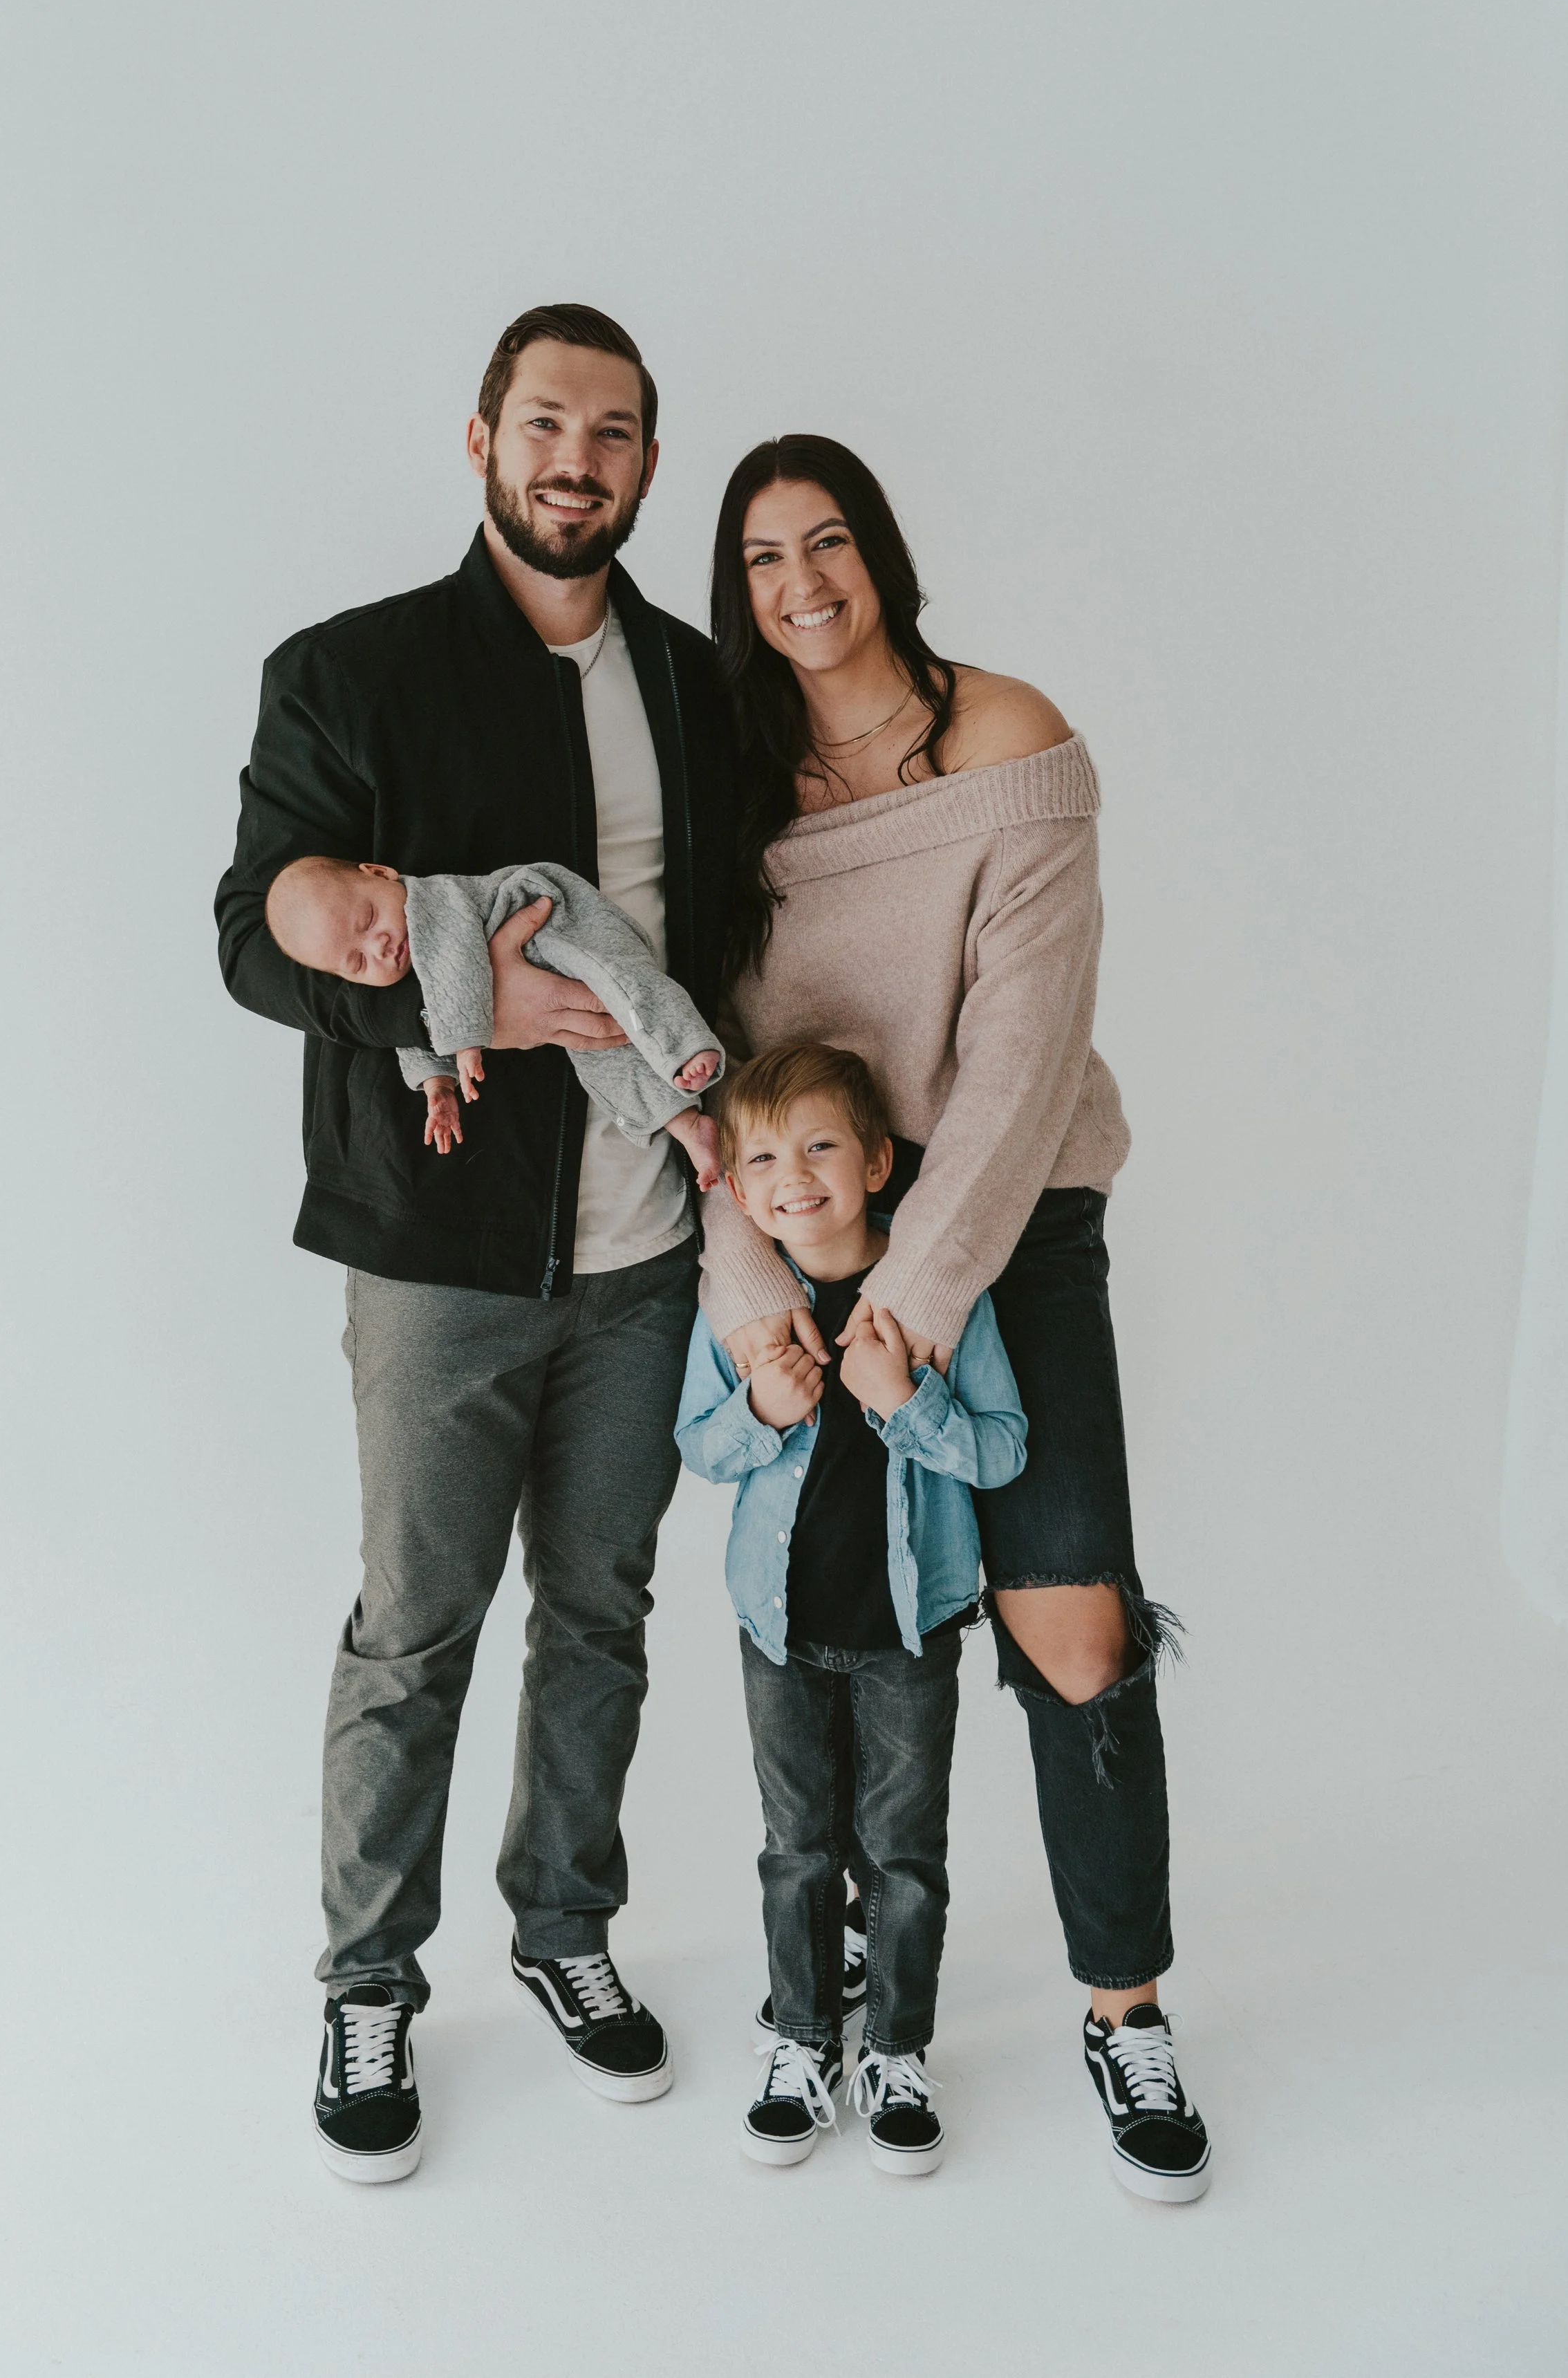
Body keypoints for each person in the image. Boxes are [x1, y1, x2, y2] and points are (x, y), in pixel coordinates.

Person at [216, 304, 738, 2182]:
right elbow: (251, 928)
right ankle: (368, 1969)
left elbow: (741, 931)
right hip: (435, 1250)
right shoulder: (349, 671)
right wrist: (470, 1006)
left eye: (609, 431)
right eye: (542, 422)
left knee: (601, 1607)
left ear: (647, 465)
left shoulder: (694, 681)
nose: (571, 458)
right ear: (479, 440)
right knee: (416, 1623)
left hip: (650, 1249)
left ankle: (564, 1925)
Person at [698, 434, 1213, 2204]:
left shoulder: (1007, 741)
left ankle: (1123, 1999)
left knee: (1070, 1622)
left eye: (826, 540)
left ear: (880, 551)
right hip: (805, 1232)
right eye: (761, 558)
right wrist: (761, 1291)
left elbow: (1021, 1058)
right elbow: (706, 1086)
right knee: (830, 1620)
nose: (800, 583)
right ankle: (837, 1975)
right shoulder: (732, 780)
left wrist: (912, 1304)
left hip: (1004, 1232)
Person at [677, 1046, 1027, 2175]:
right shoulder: (739, 1311)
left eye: (822, 1144)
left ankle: (898, 2049)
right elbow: (700, 1445)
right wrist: (765, 1411)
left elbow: (1004, 1448)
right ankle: (801, 2039)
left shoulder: (939, 1305)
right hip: (776, 1628)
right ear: (735, 1179)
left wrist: (908, 1401)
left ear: (878, 1162)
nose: (795, 1175)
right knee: (796, 1849)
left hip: (908, 1634)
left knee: (903, 1856)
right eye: (764, 1154)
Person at [262, 851, 724, 1180]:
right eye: (358, 963)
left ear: (381, 874)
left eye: (367, 920)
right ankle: (684, 1125)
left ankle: (687, 1045)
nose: (377, 947)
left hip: (552, 919)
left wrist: (467, 1043)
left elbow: (457, 962)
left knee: (619, 985)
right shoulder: (403, 981)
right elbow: (417, 1036)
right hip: (536, 971)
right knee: (601, 1053)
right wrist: (437, 1087)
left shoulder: (429, 901)